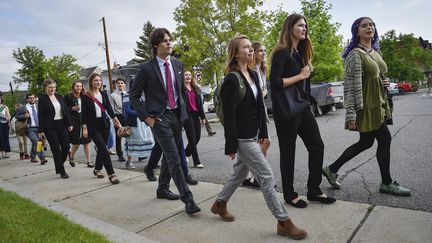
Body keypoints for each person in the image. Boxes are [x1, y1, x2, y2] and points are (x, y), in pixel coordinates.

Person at [211, 35, 307, 239]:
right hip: (242, 139)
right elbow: (229, 116)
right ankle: (283, 221)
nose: (250, 50)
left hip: (254, 134)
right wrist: (230, 145)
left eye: (250, 47)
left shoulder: (253, 75)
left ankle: (220, 203)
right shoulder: (231, 79)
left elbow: (259, 107)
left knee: (238, 174)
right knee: (266, 176)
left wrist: (263, 132)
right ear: (236, 53)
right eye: (245, 47)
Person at [322, 17, 411, 197]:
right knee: (384, 140)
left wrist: (385, 82)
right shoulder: (355, 54)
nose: (369, 27)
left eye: (371, 25)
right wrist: (351, 115)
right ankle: (386, 183)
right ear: (357, 31)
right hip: (367, 108)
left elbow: (377, 75)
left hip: (379, 104)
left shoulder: (374, 52)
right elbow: (351, 86)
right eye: (364, 26)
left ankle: (331, 169)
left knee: (366, 142)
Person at [130, 28, 201, 215]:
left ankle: (162, 188)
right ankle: (188, 199)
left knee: (169, 157)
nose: (169, 43)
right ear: (155, 45)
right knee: (174, 158)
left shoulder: (178, 65)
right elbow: (134, 96)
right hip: (159, 118)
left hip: (177, 116)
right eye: (165, 41)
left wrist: (184, 112)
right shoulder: (146, 68)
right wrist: (147, 118)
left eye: (170, 40)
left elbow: (180, 92)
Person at [270, 14, 336, 208]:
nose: (305, 28)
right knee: (288, 152)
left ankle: (314, 190)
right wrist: (300, 76)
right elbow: (275, 83)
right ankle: (289, 194)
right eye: (300, 25)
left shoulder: (300, 53)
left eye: (306, 26)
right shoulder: (282, 53)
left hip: (302, 108)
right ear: (290, 27)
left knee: (317, 146)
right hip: (287, 111)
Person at [81, 73, 122, 184]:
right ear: (91, 82)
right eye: (95, 81)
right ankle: (111, 174)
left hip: (104, 124)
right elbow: (83, 114)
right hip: (92, 126)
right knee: (104, 149)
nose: (98, 82)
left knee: (102, 148)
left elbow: (109, 108)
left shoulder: (104, 93)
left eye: (99, 80)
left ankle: (97, 169)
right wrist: (84, 128)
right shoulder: (85, 96)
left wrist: (116, 120)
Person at [241, 41, 271, 189]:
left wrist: (263, 93)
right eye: (260, 51)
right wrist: (262, 93)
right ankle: (258, 175)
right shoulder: (251, 70)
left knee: (259, 144)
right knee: (264, 142)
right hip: (253, 113)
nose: (263, 53)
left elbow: (263, 91)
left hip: (261, 109)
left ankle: (248, 177)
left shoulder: (262, 70)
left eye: (264, 51)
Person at [37, 79, 73, 179]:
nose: (52, 89)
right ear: (45, 88)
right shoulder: (42, 99)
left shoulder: (59, 97)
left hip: (61, 124)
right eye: (50, 88)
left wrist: (69, 123)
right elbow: (41, 115)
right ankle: (62, 171)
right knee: (56, 149)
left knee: (66, 147)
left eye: (54, 87)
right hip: (50, 127)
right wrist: (40, 130)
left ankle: (59, 164)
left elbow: (65, 110)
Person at [64, 81, 94, 168]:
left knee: (86, 142)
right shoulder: (68, 97)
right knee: (76, 143)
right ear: (73, 87)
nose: (79, 88)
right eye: (77, 86)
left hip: (84, 121)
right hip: (74, 121)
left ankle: (89, 161)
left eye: (80, 86)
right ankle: (72, 156)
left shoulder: (84, 96)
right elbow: (64, 110)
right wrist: (73, 108)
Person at [122, 93, 154, 169]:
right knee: (132, 142)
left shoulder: (141, 96)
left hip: (144, 122)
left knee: (149, 141)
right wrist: (142, 113)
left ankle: (152, 162)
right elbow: (127, 110)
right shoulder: (127, 96)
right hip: (134, 122)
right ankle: (129, 161)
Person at [183, 70, 206, 168]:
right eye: (186, 75)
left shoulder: (195, 88)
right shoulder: (181, 89)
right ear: (183, 77)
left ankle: (184, 153)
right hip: (187, 115)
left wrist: (203, 117)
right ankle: (197, 162)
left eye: (189, 75)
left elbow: (199, 104)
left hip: (195, 115)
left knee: (198, 137)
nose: (188, 76)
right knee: (192, 139)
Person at [110, 77, 127, 162]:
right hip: (118, 116)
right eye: (118, 83)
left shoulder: (128, 94)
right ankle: (120, 155)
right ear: (116, 84)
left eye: (122, 83)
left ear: (124, 84)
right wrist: (114, 120)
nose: (120, 85)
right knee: (118, 136)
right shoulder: (113, 95)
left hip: (127, 116)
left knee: (130, 135)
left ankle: (135, 153)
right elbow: (112, 109)